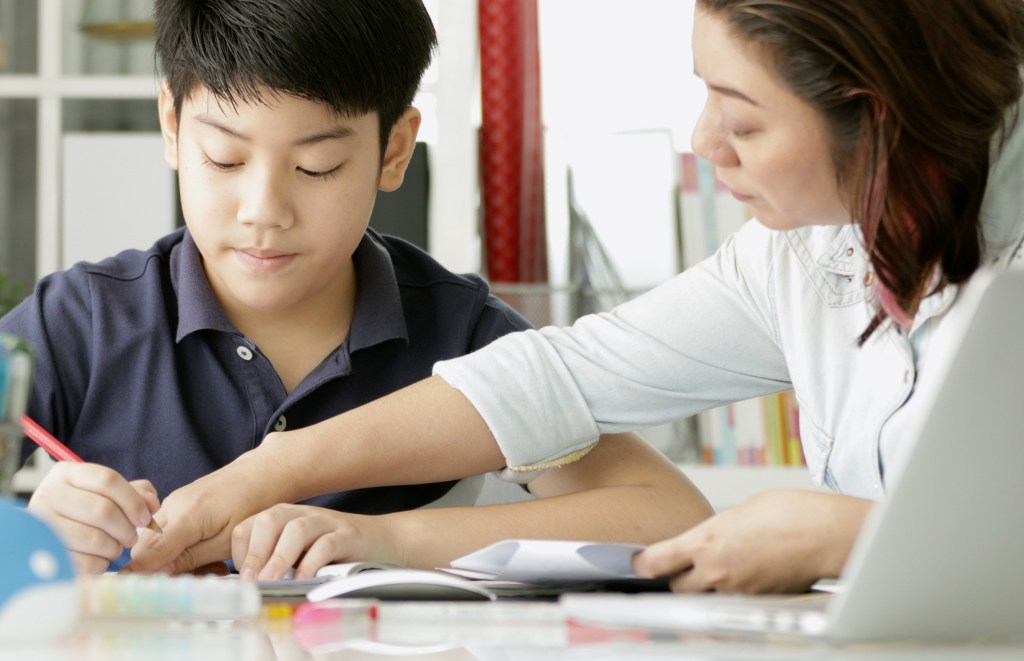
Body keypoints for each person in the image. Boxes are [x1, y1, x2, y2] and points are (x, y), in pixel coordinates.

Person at [130, 0, 1024, 591]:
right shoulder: (797, 253)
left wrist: (851, 537)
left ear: (875, 115)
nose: (706, 141)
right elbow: (561, 377)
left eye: (743, 116)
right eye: (703, 96)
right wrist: (262, 476)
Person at [0, 0, 712, 575]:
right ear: (171, 123)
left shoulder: (460, 334)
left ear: (393, 149)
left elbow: (669, 515)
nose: (263, 209)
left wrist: (387, 538)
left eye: (316, 168)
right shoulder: (81, 320)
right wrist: (32, 535)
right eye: (223, 157)